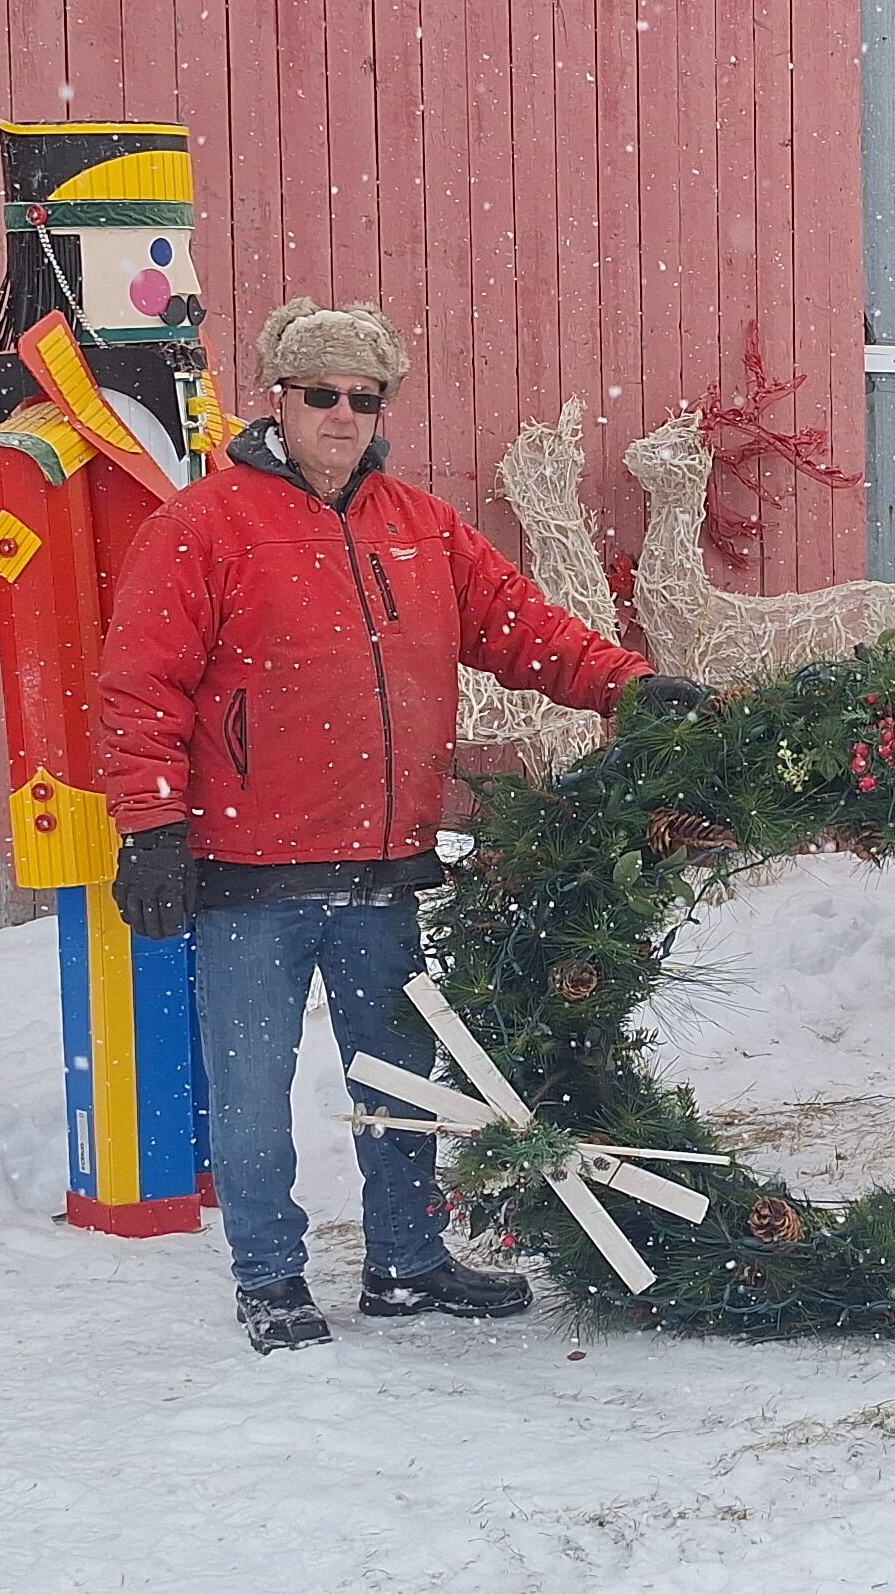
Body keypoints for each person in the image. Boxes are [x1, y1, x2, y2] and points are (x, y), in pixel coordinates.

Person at [99, 298, 706, 1354]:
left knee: (401, 1081)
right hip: (250, 868)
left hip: (386, 868)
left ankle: (406, 1261)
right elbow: (140, 688)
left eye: (363, 398)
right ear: (278, 400)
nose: (342, 415)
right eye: (321, 394)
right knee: (250, 1088)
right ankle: (269, 1277)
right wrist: (151, 826)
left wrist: (626, 687)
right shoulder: (205, 526)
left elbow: (524, 628)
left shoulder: (421, 528)